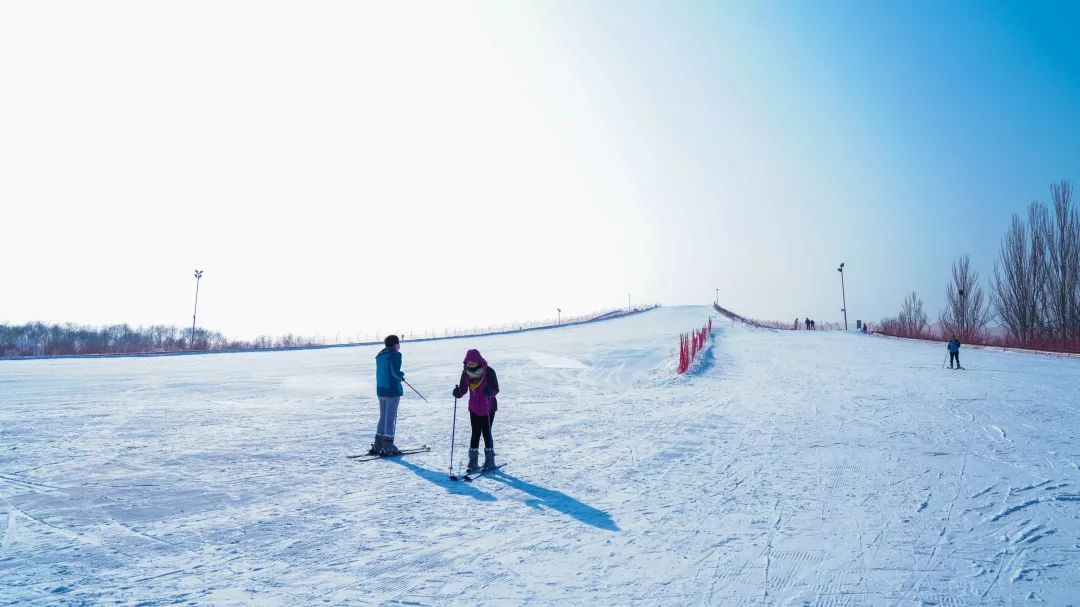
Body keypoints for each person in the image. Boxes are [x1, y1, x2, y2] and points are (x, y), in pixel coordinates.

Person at [451, 349, 500, 472]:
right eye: (468, 362)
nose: (471, 364)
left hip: (488, 407)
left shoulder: (488, 372)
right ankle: (473, 462)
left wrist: (490, 392)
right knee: (475, 433)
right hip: (474, 408)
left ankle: (490, 460)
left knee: (487, 433)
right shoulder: (466, 373)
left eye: (473, 362)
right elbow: (463, 388)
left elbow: (496, 388)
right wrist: (458, 393)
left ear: (478, 360)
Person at [370, 335, 406, 455]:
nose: (399, 345)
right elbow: (395, 372)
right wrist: (400, 376)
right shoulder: (395, 354)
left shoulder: (380, 355)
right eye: (398, 343)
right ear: (394, 344)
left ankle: (378, 444)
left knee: (383, 417)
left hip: (381, 390)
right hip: (392, 390)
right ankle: (388, 445)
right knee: (390, 418)